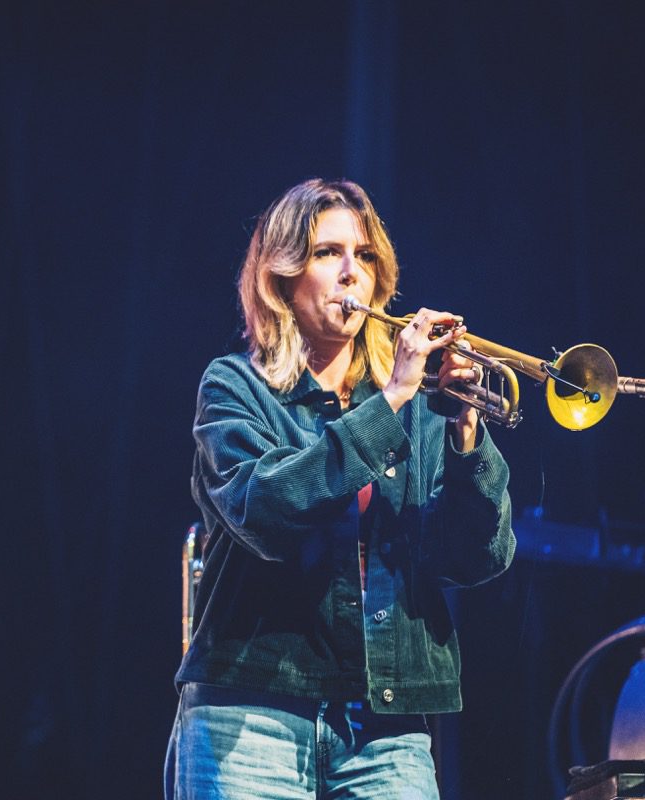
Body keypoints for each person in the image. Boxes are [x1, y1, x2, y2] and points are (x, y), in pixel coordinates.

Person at [165, 178, 515, 799]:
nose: (353, 273)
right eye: (329, 253)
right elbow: (266, 514)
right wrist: (393, 397)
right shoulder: (234, 388)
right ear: (282, 278)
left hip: (388, 730)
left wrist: (466, 436)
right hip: (252, 717)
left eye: (366, 255)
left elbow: (476, 558)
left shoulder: (419, 408)